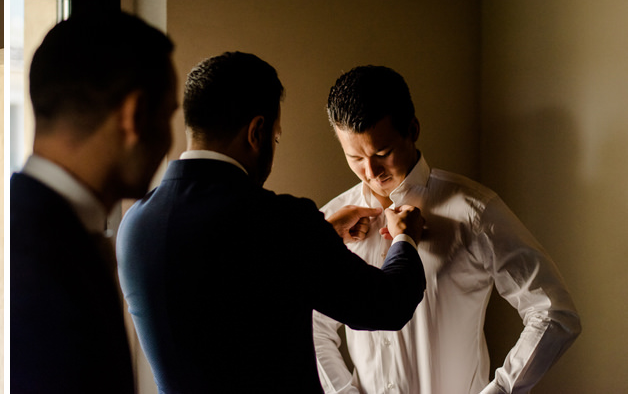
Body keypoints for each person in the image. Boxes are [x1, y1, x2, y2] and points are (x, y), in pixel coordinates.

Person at [117, 52, 427, 393]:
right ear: (257, 131)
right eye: (276, 137)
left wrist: (319, 237)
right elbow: (387, 306)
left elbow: (239, 279)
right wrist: (405, 239)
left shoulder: (135, 225)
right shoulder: (282, 223)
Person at [314, 65, 581, 394]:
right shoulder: (330, 221)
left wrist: (500, 391)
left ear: (412, 129)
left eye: (382, 153)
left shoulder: (474, 211)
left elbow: (554, 312)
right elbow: (311, 323)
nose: (371, 172)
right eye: (354, 157)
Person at [10, 12, 177, 393]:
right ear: (134, 116)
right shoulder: (39, 264)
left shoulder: (37, 226)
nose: (170, 141)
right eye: (168, 114)